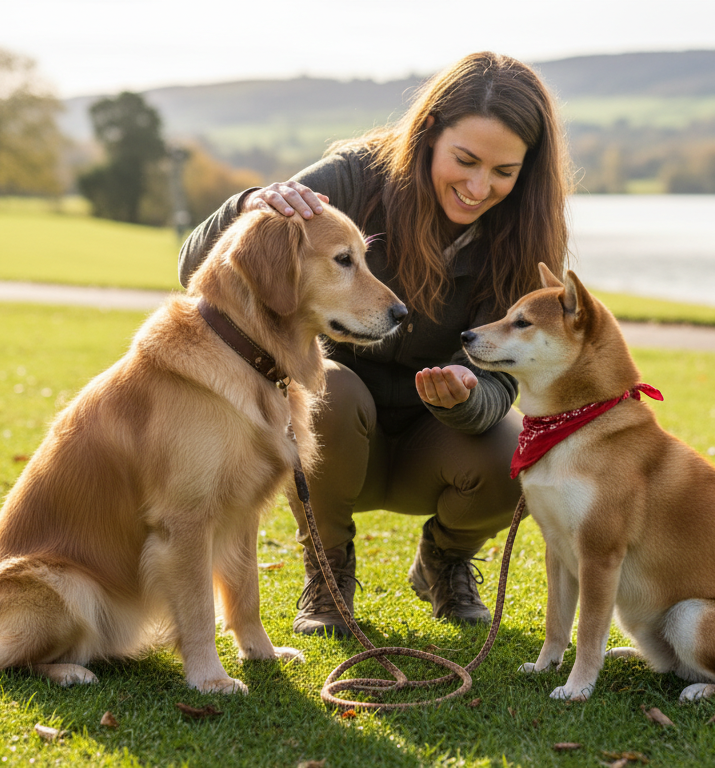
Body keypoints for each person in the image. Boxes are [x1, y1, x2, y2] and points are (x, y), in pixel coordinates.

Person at [178, 51, 572, 637]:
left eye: (503, 172)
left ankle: (445, 559)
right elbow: (194, 269)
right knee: (327, 386)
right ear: (429, 133)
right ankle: (329, 569)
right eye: (464, 160)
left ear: (526, 170)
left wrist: (466, 399)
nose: (477, 186)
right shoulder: (353, 177)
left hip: (434, 447)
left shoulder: (525, 236)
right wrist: (247, 206)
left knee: (517, 450)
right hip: (334, 436)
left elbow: (505, 380)